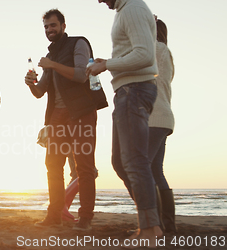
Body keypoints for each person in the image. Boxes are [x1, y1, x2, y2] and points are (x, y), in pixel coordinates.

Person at [25, 9, 107, 230]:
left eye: (53, 25)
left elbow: (82, 74)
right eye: (46, 27)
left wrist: (52, 66)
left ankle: (86, 218)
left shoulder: (79, 44)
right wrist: (30, 83)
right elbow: (41, 91)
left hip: (82, 112)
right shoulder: (50, 56)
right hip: (57, 117)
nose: (49, 30)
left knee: (84, 167)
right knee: (52, 165)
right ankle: (54, 216)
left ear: (63, 25)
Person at [88, 0, 162, 243]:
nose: (99, 1)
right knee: (120, 161)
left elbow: (144, 55)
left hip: (135, 90)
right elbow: (133, 53)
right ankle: (150, 224)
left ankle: (150, 230)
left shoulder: (132, 8)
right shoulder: (124, 10)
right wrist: (107, 63)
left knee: (134, 160)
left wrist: (107, 65)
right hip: (127, 90)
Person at [149, 18, 176, 233]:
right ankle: (167, 225)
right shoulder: (166, 53)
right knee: (156, 170)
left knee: (144, 168)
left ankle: (156, 223)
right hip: (163, 118)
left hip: (154, 117)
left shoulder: (156, 49)